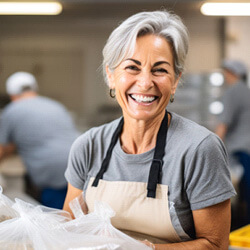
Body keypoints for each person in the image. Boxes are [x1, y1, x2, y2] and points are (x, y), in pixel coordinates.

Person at [63, 10, 236, 249]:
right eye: (132, 67)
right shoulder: (89, 145)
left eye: (160, 70)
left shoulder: (199, 149)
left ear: (175, 81)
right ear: (111, 75)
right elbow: (70, 232)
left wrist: (143, 249)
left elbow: (215, 245)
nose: (145, 83)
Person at [0, 72, 80, 209]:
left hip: (52, 171)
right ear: (34, 89)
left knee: (55, 220)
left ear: (12, 95)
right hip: (79, 160)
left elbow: (3, 147)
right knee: (77, 211)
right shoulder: (55, 105)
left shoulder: (11, 111)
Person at [216, 59, 250, 224]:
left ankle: (241, 229)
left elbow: (224, 124)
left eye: (226, 73)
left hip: (240, 151)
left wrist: (213, 147)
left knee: (242, 194)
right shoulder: (246, 91)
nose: (225, 77)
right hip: (247, 148)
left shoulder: (233, 92)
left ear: (233, 73)